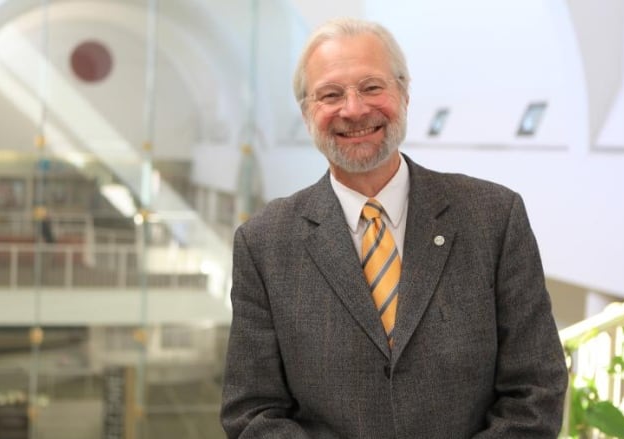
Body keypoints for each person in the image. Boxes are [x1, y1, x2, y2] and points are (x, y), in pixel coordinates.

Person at [220, 17, 568, 438]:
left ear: (403, 93)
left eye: (371, 87)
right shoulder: (264, 243)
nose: (354, 109)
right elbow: (252, 412)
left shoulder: (494, 217)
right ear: (308, 112)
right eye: (331, 94)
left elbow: (536, 389)